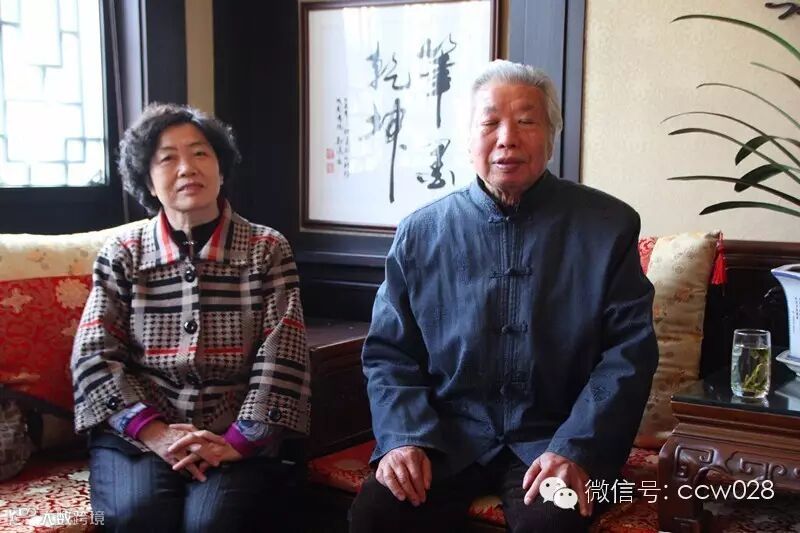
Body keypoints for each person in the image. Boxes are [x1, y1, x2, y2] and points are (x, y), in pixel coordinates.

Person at [349, 60, 659, 533]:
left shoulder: (607, 226)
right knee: (378, 512)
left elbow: (629, 354)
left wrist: (576, 449)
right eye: (489, 122)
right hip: (447, 436)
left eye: (527, 121)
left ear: (551, 136)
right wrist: (403, 438)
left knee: (550, 523)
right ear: (467, 138)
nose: (507, 139)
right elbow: (390, 352)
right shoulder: (420, 232)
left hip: (555, 438)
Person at [71, 103, 310, 532]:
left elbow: (283, 352)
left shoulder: (266, 249)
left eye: (200, 153)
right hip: (139, 432)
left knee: (211, 523)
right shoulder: (123, 253)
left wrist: (239, 440)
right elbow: (94, 355)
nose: (187, 168)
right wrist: (155, 432)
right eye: (167, 158)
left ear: (221, 167)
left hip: (233, 432)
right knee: (136, 514)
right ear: (148, 180)